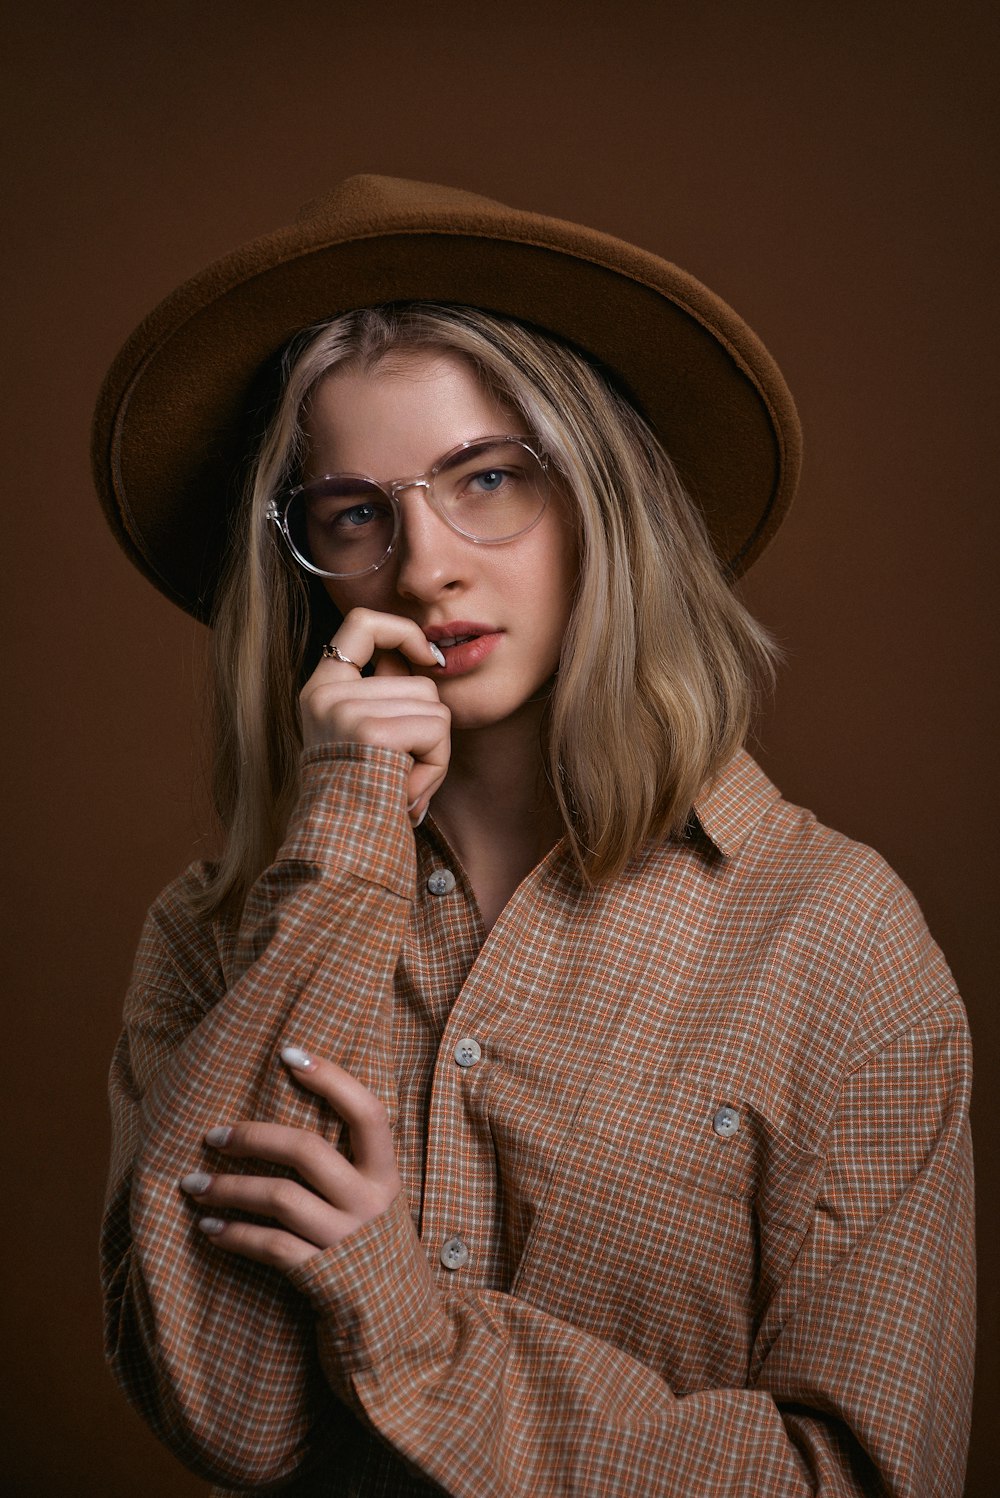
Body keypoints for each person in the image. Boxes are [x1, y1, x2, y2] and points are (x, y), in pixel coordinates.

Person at [96, 175, 974, 1497]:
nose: (427, 562)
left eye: (488, 478)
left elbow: (852, 1476)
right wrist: (341, 840)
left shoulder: (836, 935)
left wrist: (404, 1321)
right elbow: (225, 1411)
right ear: (308, 563)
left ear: (597, 499)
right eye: (353, 511)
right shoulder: (210, 929)